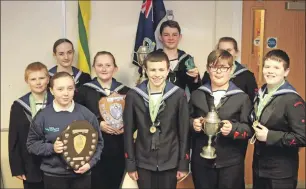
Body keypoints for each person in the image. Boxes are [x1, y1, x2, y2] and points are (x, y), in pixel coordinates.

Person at [123, 51, 190, 189]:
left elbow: (184, 132)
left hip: (170, 160)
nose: (157, 74)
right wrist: (130, 163)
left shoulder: (178, 95)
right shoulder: (134, 95)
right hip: (143, 161)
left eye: (161, 69)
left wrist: (183, 163)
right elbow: (128, 132)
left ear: (168, 70)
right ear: (145, 70)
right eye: (152, 70)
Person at [26, 72, 103, 189]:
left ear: (74, 89)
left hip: (82, 175)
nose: (66, 93)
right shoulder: (42, 116)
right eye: (60, 89)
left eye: (70, 88)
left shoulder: (87, 114)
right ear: (51, 91)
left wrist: (89, 164)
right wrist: (52, 148)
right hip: (53, 176)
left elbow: (98, 143)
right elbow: (31, 144)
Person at [190, 49, 253, 189]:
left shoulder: (242, 98)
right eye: (214, 67)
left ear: (231, 70)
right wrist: (192, 124)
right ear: (208, 69)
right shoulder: (197, 95)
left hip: (230, 163)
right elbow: (185, 122)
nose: (218, 72)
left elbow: (249, 129)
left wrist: (233, 129)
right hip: (201, 162)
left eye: (223, 67)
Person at [250, 49, 306, 189]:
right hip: (259, 166)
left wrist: (270, 136)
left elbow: (302, 137)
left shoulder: (292, 99)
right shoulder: (261, 93)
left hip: (281, 172)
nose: (270, 71)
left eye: (276, 67)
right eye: (267, 66)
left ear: (286, 72)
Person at [75, 51, 130, 189]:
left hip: (118, 146)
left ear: (115, 68)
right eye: (99, 65)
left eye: (108, 65)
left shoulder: (126, 91)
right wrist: (98, 124)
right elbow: (77, 117)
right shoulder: (83, 91)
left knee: (116, 182)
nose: (104, 69)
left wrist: (126, 126)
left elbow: (133, 117)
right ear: (94, 67)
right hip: (93, 147)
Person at [9, 62, 53, 189]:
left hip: (56, 164)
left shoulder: (57, 101)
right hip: (30, 164)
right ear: (27, 81)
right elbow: (14, 137)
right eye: (33, 79)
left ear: (48, 79)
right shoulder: (18, 106)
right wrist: (17, 167)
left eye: (42, 78)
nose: (38, 82)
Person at [202, 37, 257, 101]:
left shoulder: (247, 76)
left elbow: (252, 102)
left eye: (229, 50)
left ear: (236, 53)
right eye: (222, 50)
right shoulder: (209, 73)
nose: (225, 53)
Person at [157, 20, 201, 94]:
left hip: (180, 103)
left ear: (180, 37)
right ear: (160, 37)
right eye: (166, 35)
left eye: (174, 35)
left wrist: (195, 79)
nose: (171, 38)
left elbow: (195, 91)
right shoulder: (153, 58)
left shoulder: (187, 59)